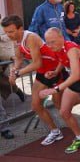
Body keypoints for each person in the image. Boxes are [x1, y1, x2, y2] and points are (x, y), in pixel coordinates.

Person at [2, 15, 67, 145]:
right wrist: (13, 71)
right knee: (36, 105)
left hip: (55, 70)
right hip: (43, 73)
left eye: (11, 31)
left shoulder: (30, 38)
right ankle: (55, 131)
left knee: (61, 106)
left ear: (21, 28)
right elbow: (19, 59)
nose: (8, 35)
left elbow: (37, 63)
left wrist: (18, 73)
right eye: (6, 32)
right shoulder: (16, 40)